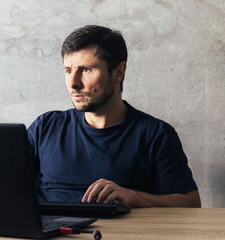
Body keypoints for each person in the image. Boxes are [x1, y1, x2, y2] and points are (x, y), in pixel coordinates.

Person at [27, 25, 201, 208]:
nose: (73, 83)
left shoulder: (155, 134)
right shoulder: (45, 126)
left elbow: (191, 204)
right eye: (68, 70)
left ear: (118, 72)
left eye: (86, 69)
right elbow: (4, 183)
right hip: (49, 233)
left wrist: (131, 197)